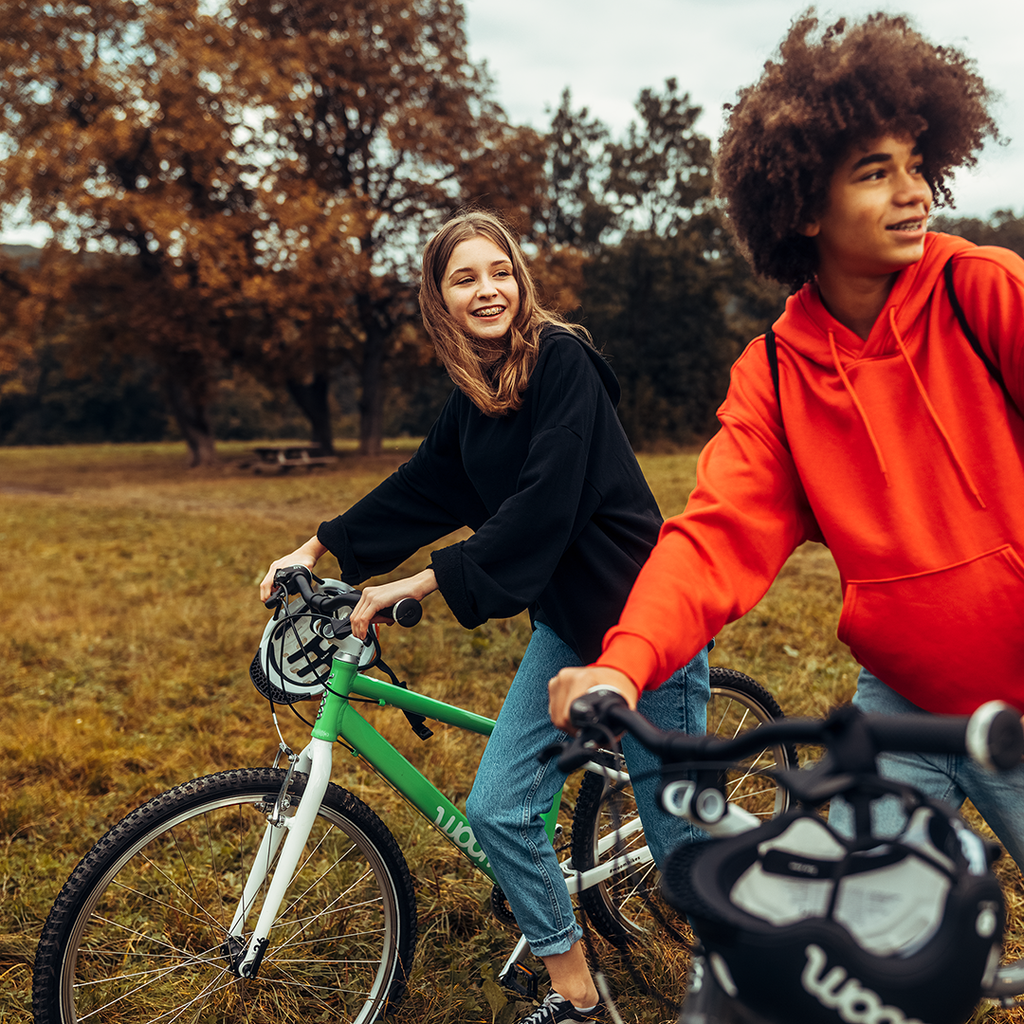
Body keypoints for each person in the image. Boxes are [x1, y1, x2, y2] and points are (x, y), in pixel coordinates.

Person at [549, 12, 1024, 867]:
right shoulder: (774, 370)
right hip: (902, 707)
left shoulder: (982, 293)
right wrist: (623, 665)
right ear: (803, 203)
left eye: (917, 167)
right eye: (876, 174)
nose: (914, 193)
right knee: (859, 953)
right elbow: (713, 537)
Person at [260, 210, 709, 1024]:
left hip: (651, 625)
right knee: (498, 809)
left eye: (498, 271)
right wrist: (315, 549)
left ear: (520, 279)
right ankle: (575, 994)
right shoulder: (476, 394)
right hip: (572, 631)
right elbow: (425, 484)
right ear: (440, 298)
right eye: (464, 278)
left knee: (682, 856)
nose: (487, 289)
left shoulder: (563, 362)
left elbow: (547, 499)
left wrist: (424, 582)